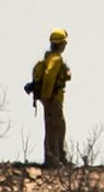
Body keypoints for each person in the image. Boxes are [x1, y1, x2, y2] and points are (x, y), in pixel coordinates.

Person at [26, 29, 71, 167]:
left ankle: (59, 157)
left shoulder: (51, 58)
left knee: (58, 127)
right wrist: (47, 97)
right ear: (61, 44)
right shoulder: (56, 59)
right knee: (54, 128)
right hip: (53, 99)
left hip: (52, 99)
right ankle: (53, 159)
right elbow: (50, 76)